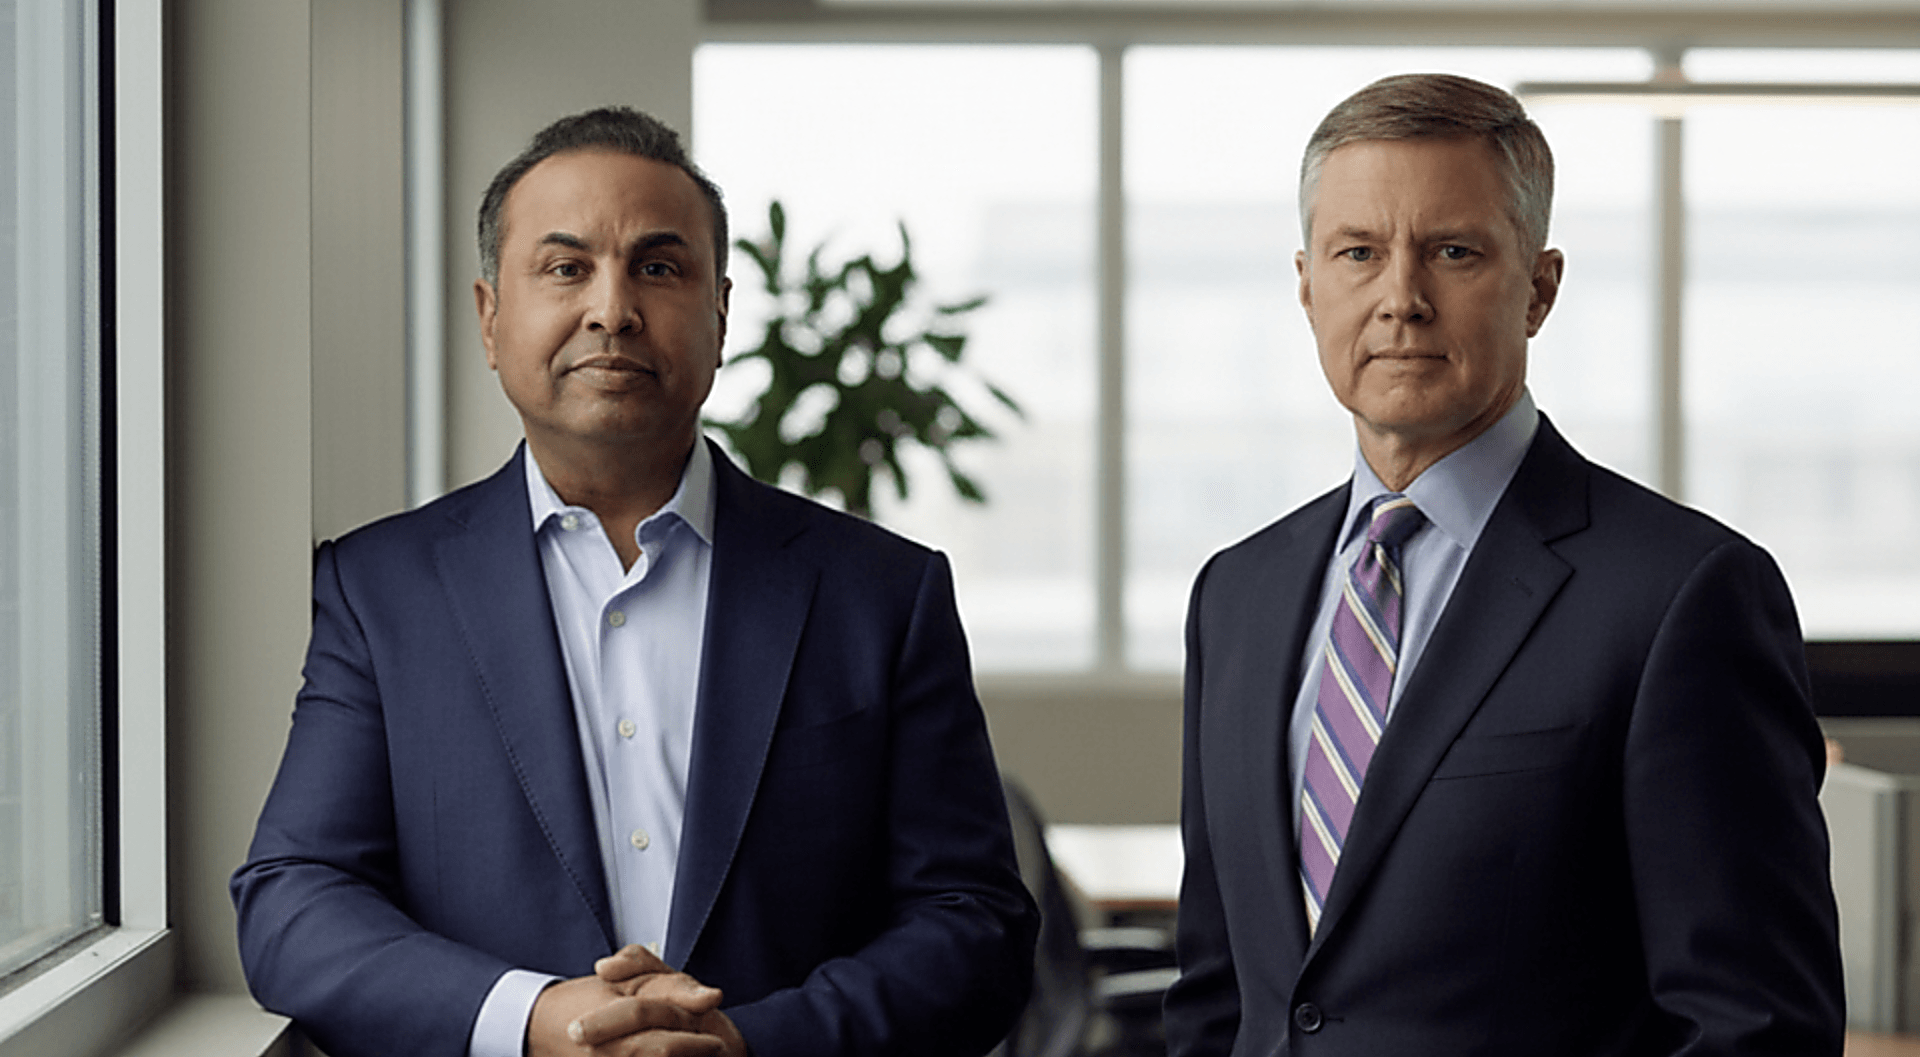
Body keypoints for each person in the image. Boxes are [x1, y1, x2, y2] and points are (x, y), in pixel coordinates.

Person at [232, 106, 1037, 1057]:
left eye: (657, 268)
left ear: (721, 315)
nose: (611, 310)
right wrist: (535, 1020)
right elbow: (294, 900)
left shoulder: (883, 595)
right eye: (565, 268)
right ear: (490, 318)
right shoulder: (379, 592)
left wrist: (745, 1043)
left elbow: (975, 923)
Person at [1163, 73, 1843, 1056]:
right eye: (1359, 252)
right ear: (1308, 285)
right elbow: (1217, 997)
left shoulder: (1681, 596)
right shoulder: (1237, 594)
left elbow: (1757, 1026)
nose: (1401, 299)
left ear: (1540, 288)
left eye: (1453, 251)